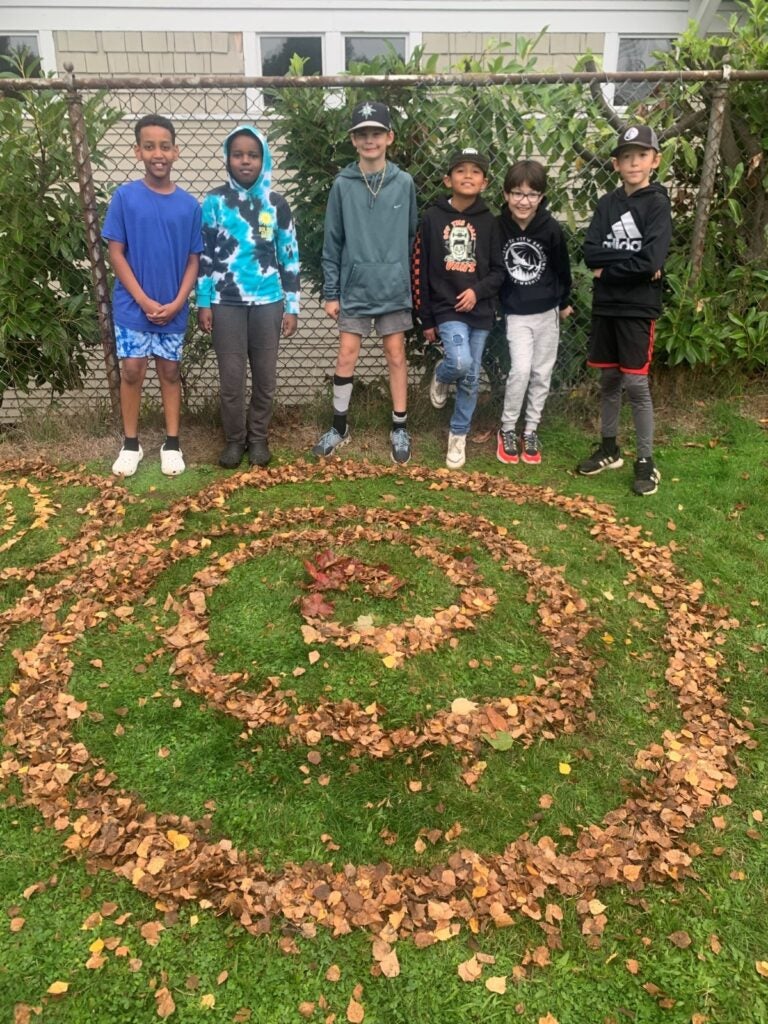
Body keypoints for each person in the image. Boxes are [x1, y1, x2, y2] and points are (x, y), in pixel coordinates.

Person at [313, 100, 417, 465]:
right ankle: (339, 426)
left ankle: (399, 425)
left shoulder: (404, 183)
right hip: (354, 289)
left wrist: (401, 277)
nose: (369, 140)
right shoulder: (342, 184)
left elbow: (409, 236)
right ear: (353, 141)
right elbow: (333, 241)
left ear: (389, 137)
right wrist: (331, 292)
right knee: (346, 355)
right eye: (362, 134)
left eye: (376, 133)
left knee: (396, 355)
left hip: (392, 288)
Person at [103, 113, 202, 477]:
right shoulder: (125, 197)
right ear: (137, 151)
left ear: (176, 152)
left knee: (170, 371)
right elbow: (116, 253)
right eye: (149, 146)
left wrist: (178, 301)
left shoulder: (190, 206)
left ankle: (171, 443)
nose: (157, 153)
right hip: (133, 306)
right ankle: (131, 443)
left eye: (164, 146)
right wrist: (143, 300)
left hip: (172, 307)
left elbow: (194, 259)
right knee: (131, 370)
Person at [197, 126, 300, 468]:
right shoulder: (213, 202)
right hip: (225, 304)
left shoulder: (276, 203)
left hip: (268, 303)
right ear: (228, 158)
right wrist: (203, 301)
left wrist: (292, 306)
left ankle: (258, 438)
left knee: (265, 378)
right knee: (231, 379)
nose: (245, 161)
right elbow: (206, 255)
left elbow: (289, 254)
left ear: (263, 159)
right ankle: (234, 440)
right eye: (238, 154)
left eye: (253, 155)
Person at [577, 124, 671, 496]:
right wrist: (631, 262)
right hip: (607, 308)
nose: (634, 163)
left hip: (638, 309)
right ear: (616, 163)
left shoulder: (657, 204)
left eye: (642, 155)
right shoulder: (608, 204)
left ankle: (646, 461)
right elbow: (589, 252)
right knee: (610, 381)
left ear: (654, 160)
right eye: (627, 156)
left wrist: (610, 270)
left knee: (636, 382)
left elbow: (651, 261)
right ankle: (609, 447)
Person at [414, 148, 505, 469]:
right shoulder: (432, 218)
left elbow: (498, 272)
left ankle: (458, 436)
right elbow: (420, 269)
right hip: (446, 308)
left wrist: (476, 292)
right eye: (461, 170)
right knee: (460, 362)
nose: (468, 176)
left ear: (485, 182)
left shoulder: (491, 222)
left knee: (470, 379)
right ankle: (441, 375)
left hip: (479, 310)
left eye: (475, 171)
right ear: (447, 179)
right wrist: (426, 317)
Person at [496, 160, 573, 466]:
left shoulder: (551, 228)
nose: (523, 201)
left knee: (542, 373)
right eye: (517, 193)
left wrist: (564, 300)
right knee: (521, 370)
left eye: (531, 194)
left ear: (541, 197)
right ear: (505, 194)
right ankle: (506, 428)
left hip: (547, 312)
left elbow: (561, 268)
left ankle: (530, 429)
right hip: (516, 314)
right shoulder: (497, 227)